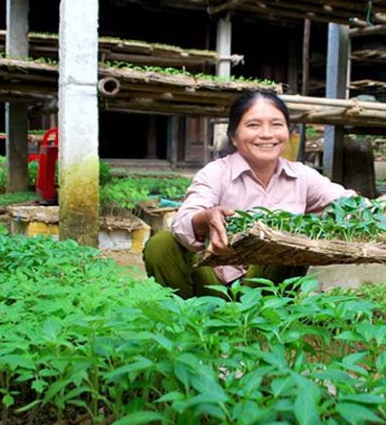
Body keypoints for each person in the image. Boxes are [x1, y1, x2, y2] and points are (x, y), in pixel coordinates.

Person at [143, 90, 354, 297]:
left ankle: (266, 321)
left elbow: (346, 202)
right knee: (162, 245)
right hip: (212, 286)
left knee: (288, 240)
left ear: (288, 133)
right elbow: (183, 222)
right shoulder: (216, 172)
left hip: (272, 289)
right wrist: (205, 219)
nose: (267, 134)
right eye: (253, 125)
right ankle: (195, 319)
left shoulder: (302, 176)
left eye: (276, 125)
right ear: (234, 136)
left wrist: (383, 209)